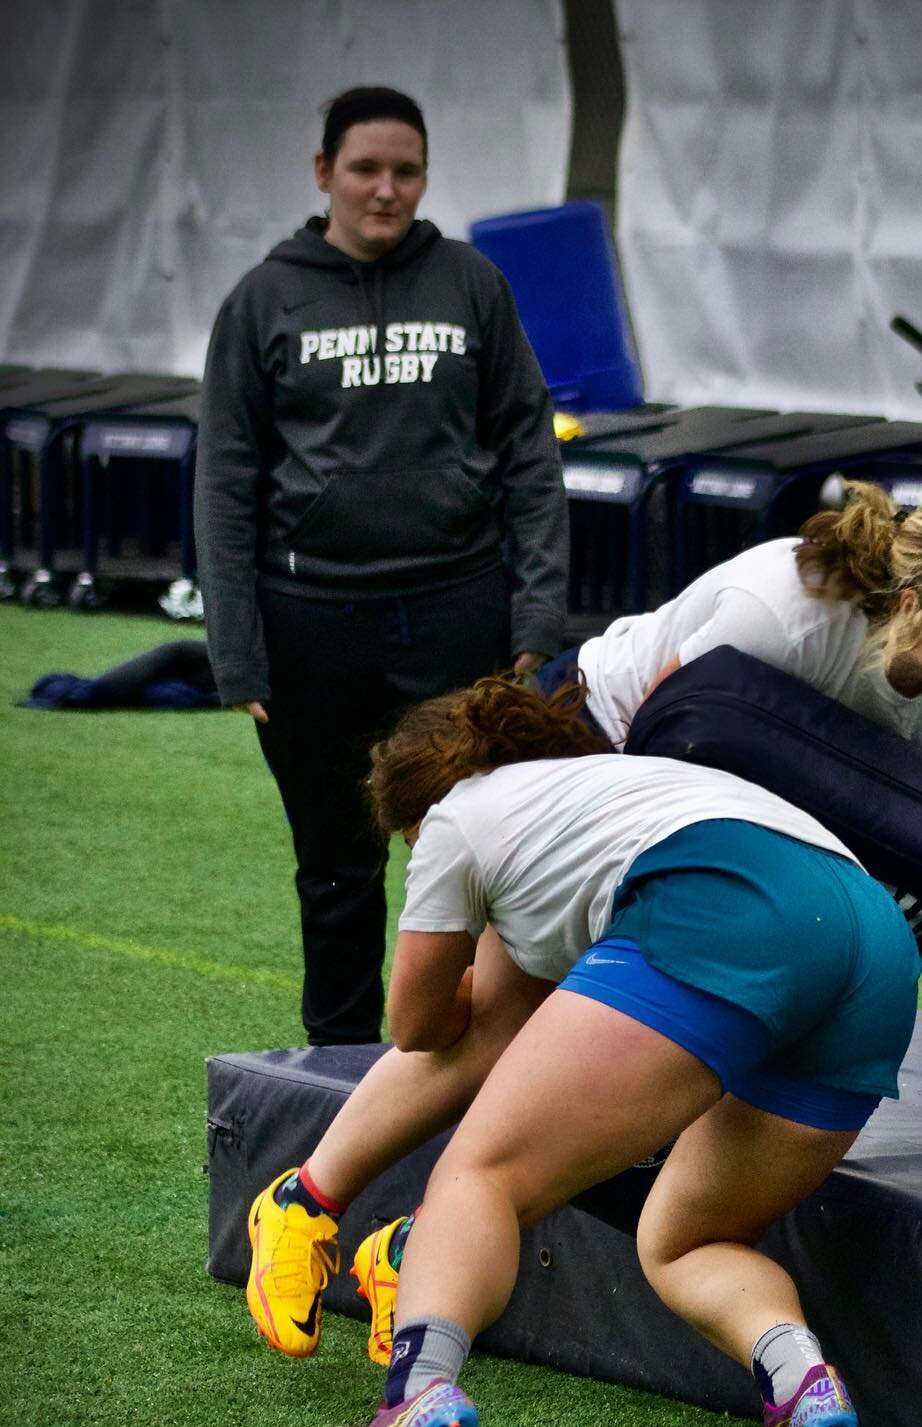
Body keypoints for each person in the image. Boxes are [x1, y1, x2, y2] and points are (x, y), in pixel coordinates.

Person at [243, 478, 922, 1368]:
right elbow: (673, 753)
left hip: (740, 837)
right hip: (606, 756)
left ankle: (415, 1250)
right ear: (919, 603)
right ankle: (306, 1202)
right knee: (502, 1014)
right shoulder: (782, 610)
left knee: (679, 1055)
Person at [285, 678, 922, 1427]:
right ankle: (799, 1379)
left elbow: (415, 1026)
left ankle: (418, 1393)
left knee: (481, 1177)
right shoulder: (616, 789)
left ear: (420, 803)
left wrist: (463, 976)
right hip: (873, 941)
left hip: (725, 901)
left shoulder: (458, 818)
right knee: (689, 1240)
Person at [196, 85, 568, 1046]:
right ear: (324, 173)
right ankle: (341, 1073)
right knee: (337, 867)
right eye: (365, 169)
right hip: (309, 622)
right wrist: (236, 653)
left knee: (492, 858)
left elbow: (530, 450)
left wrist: (536, 616)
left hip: (457, 611)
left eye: (406, 171)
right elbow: (225, 488)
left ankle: (497, 1071)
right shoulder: (262, 301)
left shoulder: (471, 284)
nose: (386, 190)